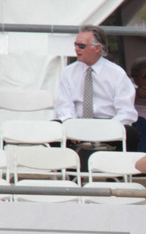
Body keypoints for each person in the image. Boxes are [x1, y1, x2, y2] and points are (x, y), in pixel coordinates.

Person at [55, 25, 140, 154]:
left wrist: (105, 130)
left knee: (131, 134)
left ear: (97, 48)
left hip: (108, 123)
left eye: (81, 46)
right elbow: (64, 106)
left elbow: (126, 112)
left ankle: (119, 166)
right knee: (54, 129)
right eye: (75, 45)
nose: (76, 49)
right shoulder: (68, 72)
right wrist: (72, 126)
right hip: (77, 122)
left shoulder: (117, 74)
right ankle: (65, 166)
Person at [129, 57, 146, 152]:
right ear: (136, 79)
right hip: (137, 126)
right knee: (140, 122)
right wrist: (136, 95)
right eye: (145, 76)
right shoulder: (129, 93)